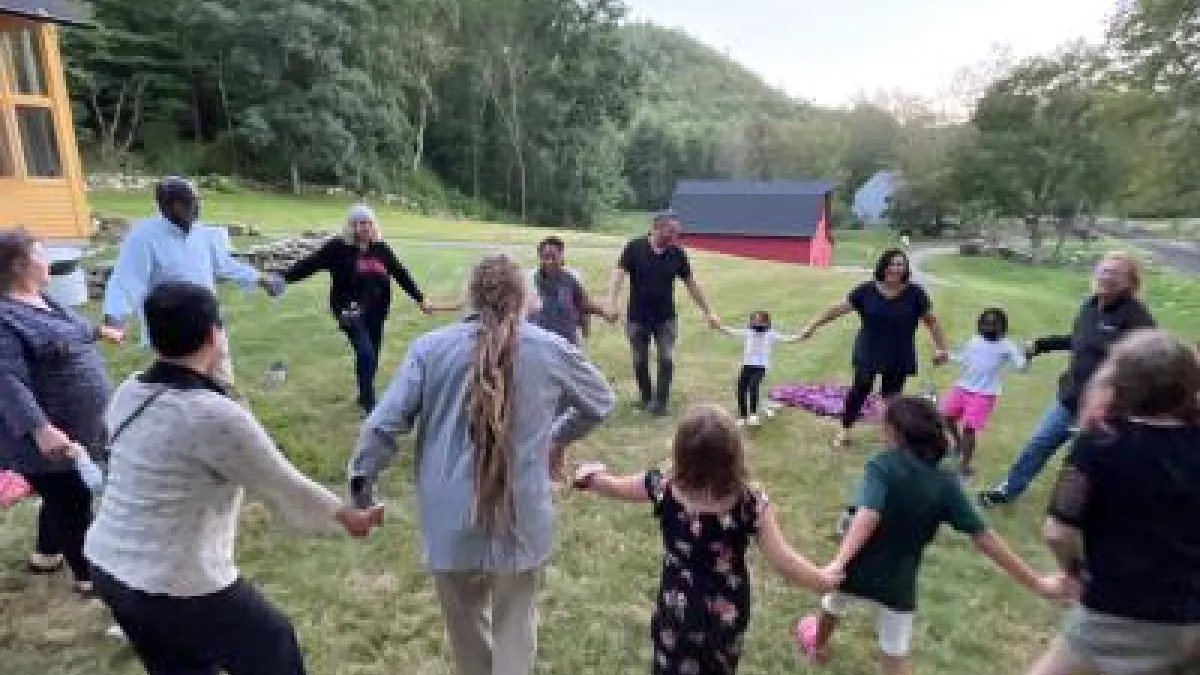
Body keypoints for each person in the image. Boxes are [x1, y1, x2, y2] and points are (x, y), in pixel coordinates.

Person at [85, 281, 382, 675]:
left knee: (179, 664)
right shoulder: (211, 415)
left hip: (108, 566)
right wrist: (347, 516)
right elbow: (281, 483)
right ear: (213, 335)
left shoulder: (129, 391)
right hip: (171, 580)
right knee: (272, 647)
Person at [347, 253, 615, 675]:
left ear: (470, 297)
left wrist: (362, 488)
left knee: (466, 634)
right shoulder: (549, 350)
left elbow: (381, 426)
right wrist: (557, 436)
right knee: (515, 628)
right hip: (520, 516)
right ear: (525, 297)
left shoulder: (430, 349)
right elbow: (600, 400)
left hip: (449, 518)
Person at [794, 396, 1074, 675]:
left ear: (893, 432)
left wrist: (838, 563)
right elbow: (984, 536)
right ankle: (819, 642)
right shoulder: (945, 484)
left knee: (834, 601)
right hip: (898, 583)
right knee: (894, 654)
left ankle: (817, 645)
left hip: (854, 570)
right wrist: (1036, 582)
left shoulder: (881, 466)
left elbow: (867, 516)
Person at [571, 404, 842, 675]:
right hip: (726, 614)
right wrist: (822, 579)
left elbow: (618, 487)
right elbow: (785, 560)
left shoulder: (663, 487)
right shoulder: (750, 505)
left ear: (679, 453)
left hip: (677, 609)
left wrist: (592, 479)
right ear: (734, 456)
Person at [1030, 329, 1200, 675]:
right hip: (1190, 617)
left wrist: (1073, 572)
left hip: (1118, 613)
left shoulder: (1100, 445)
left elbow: (1058, 532)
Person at [0, 228, 123, 595]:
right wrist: (40, 428)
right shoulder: (5, 318)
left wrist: (102, 332)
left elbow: (70, 331)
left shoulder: (42, 300)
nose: (48, 259)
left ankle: (46, 553)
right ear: (21, 265)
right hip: (49, 432)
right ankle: (88, 577)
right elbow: (6, 381)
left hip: (80, 425)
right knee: (71, 499)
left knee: (60, 494)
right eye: (42, 252)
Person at [979, 252, 1155, 506]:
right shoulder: (1090, 305)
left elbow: (1149, 361)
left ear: (1130, 282)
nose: (1106, 276)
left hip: (1104, 409)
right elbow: (1080, 341)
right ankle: (1006, 491)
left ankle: (1091, 515)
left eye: (1115, 273)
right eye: (1103, 270)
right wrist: (1043, 345)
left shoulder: (1137, 318)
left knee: (1089, 464)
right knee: (1038, 445)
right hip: (1069, 397)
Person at [100, 176, 284, 391]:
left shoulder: (203, 233)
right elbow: (125, 279)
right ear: (166, 206)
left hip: (209, 326)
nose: (196, 208)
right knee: (180, 393)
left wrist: (261, 279)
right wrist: (115, 317)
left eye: (197, 201)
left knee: (223, 388)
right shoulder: (144, 237)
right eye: (187, 203)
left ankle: (230, 420)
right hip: (172, 333)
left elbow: (224, 264)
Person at [279, 203, 433, 413]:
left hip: (376, 311)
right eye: (359, 223)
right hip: (348, 310)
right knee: (366, 351)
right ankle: (370, 403)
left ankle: (364, 393)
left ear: (374, 226)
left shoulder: (381, 249)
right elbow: (310, 264)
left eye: (368, 223)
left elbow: (400, 273)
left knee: (373, 354)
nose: (364, 227)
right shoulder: (337, 248)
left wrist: (420, 298)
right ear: (350, 226)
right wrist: (283, 278)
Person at [799, 248, 949, 448]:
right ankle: (845, 430)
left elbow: (932, 322)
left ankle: (891, 435)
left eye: (901, 264)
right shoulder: (866, 290)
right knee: (860, 389)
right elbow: (837, 310)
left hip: (899, 352)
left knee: (892, 397)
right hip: (869, 349)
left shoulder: (915, 293)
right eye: (893, 263)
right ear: (883, 266)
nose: (897, 268)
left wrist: (941, 348)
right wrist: (812, 326)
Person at [607, 211, 721, 416]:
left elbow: (691, 284)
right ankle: (646, 397)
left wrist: (709, 311)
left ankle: (660, 403)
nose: (676, 235)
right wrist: (612, 303)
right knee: (639, 360)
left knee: (666, 359)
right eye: (672, 231)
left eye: (678, 231)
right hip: (637, 317)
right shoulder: (635, 247)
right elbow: (618, 275)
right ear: (657, 228)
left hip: (665, 319)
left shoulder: (677, 253)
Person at [940, 308, 1027, 479]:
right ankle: (958, 444)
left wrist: (1027, 356)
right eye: (986, 322)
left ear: (1003, 327)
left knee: (969, 428)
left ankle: (965, 465)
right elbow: (964, 358)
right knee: (945, 417)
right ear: (979, 325)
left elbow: (1021, 365)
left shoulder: (1007, 345)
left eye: (995, 323)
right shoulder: (975, 340)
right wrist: (946, 357)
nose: (990, 326)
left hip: (984, 394)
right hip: (962, 387)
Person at [715, 311, 800, 427]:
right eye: (755, 320)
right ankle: (743, 416)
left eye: (760, 321)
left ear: (766, 322)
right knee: (741, 389)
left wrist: (802, 336)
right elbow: (731, 332)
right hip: (747, 365)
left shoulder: (770, 334)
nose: (757, 323)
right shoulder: (748, 332)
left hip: (760, 367)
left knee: (753, 385)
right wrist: (718, 326)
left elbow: (788, 339)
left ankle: (754, 415)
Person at [526, 236, 606, 346]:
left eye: (554, 257)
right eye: (546, 257)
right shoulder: (530, 279)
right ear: (540, 257)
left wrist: (588, 325)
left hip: (567, 339)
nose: (549, 261)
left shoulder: (572, 278)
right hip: (539, 340)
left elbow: (582, 303)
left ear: (561, 256)